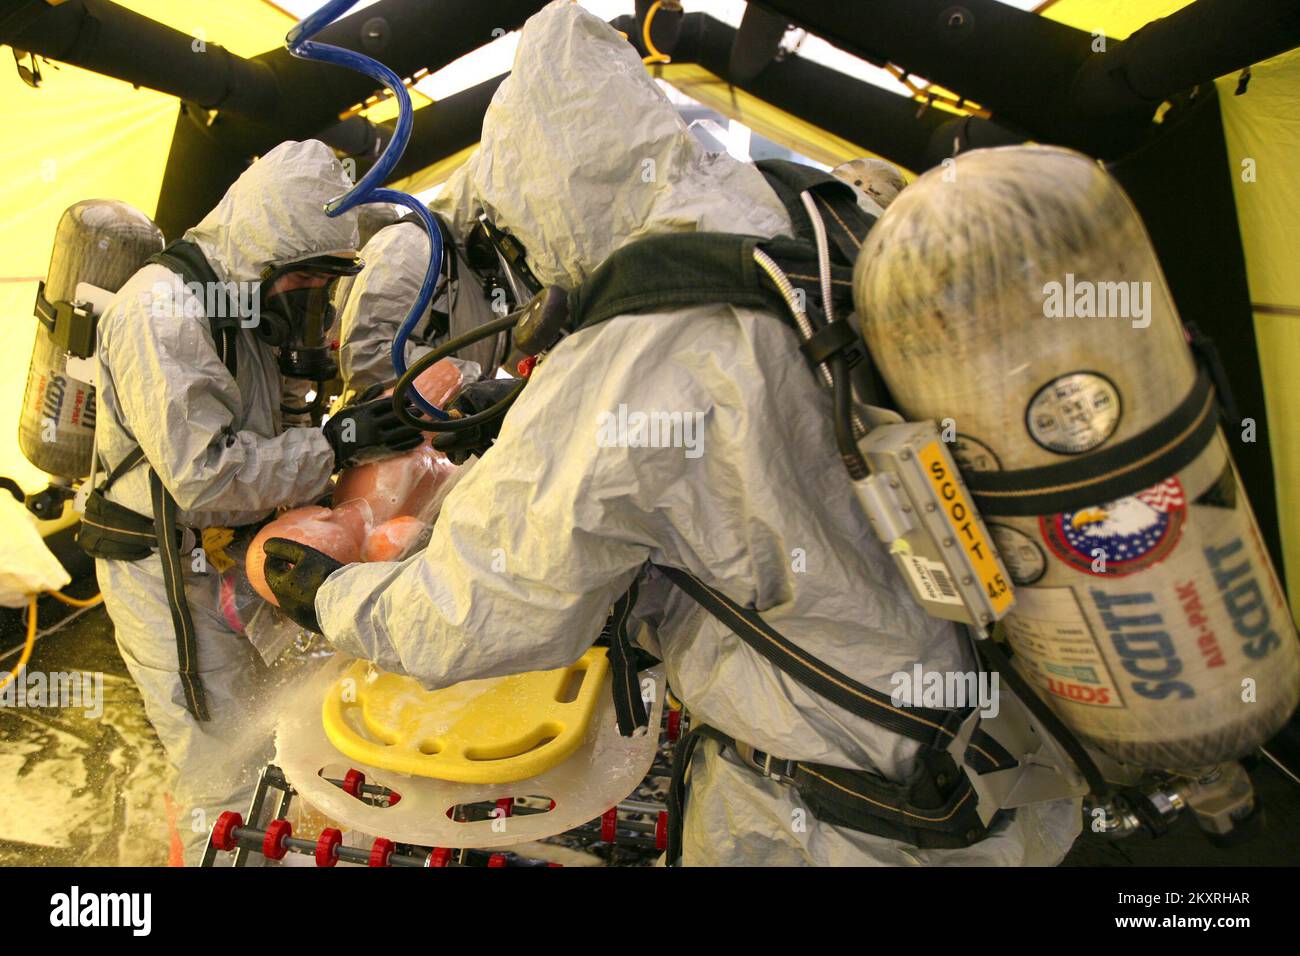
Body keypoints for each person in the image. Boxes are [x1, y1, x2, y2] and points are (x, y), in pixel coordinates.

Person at [267, 3, 1081, 865]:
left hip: (839, 811)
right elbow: (740, 504)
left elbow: (471, 618)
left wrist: (327, 595)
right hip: (1003, 748)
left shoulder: (633, 348)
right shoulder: (809, 243)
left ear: (544, 191)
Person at [88, 139, 422, 864]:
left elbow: (273, 437)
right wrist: (335, 446)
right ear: (262, 247)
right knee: (218, 755)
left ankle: (281, 846)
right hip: (164, 570)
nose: (310, 294)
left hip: (232, 558)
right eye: (301, 275)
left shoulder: (241, 306)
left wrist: (346, 436)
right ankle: (218, 846)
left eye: (322, 280)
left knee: (283, 731)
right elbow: (206, 479)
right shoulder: (162, 312)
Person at [334, 209, 509, 398]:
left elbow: (517, 349)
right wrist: (476, 387)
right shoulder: (410, 243)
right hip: (399, 420)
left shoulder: (490, 275)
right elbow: (368, 356)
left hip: (451, 422)